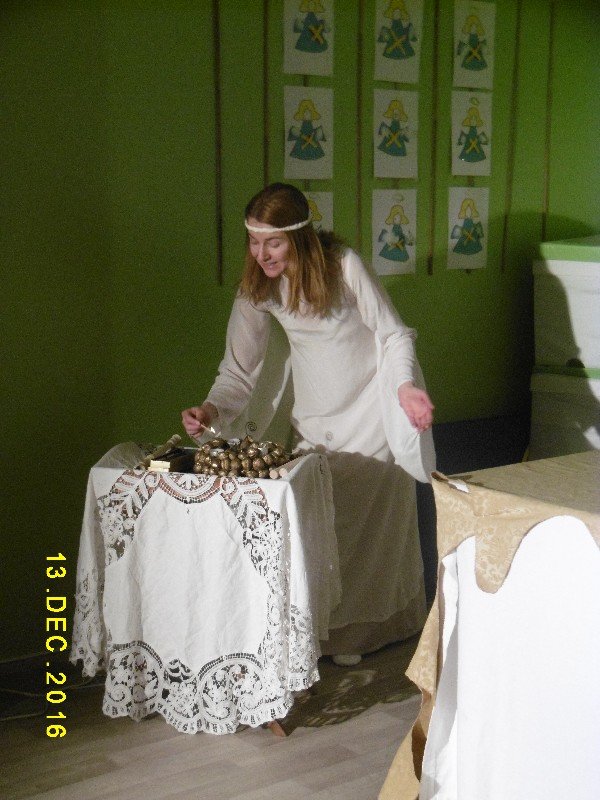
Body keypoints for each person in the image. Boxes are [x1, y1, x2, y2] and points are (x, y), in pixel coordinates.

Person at [182, 182, 435, 664]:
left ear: (298, 237)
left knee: (369, 535)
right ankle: (320, 634)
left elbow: (394, 334)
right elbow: (239, 370)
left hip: (369, 416)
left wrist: (404, 388)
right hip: (314, 420)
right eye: (253, 242)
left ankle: (364, 636)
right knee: (319, 527)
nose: (261, 254)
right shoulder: (258, 287)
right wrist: (211, 410)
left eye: (273, 243)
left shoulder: (343, 266)